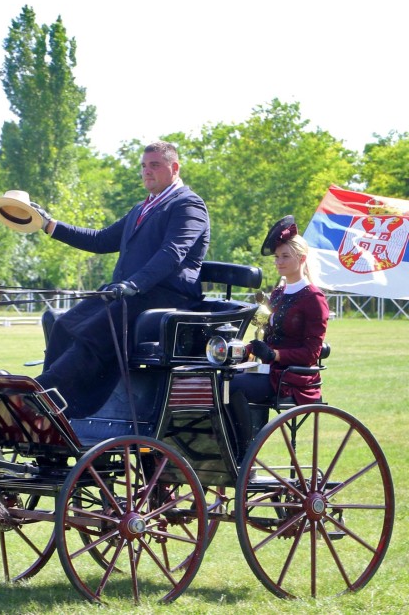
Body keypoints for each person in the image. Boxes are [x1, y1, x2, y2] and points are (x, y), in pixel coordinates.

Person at [29, 141, 210, 418]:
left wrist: (134, 284)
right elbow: (101, 240)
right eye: (143, 166)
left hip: (165, 296)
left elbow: (172, 253)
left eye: (154, 165)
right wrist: (50, 225)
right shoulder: (142, 208)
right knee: (65, 324)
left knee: (95, 332)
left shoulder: (188, 205)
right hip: (128, 294)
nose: (146, 171)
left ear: (174, 168)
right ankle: (51, 403)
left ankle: (43, 394)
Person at [229, 216, 329, 456]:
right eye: (277, 257)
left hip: (293, 378)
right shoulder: (278, 294)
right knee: (218, 379)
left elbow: (311, 353)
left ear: (301, 259)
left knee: (233, 386)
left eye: (285, 256)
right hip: (270, 372)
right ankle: (225, 449)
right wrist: (251, 349)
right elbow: (267, 334)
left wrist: (274, 354)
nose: (279, 262)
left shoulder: (314, 299)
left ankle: (244, 453)